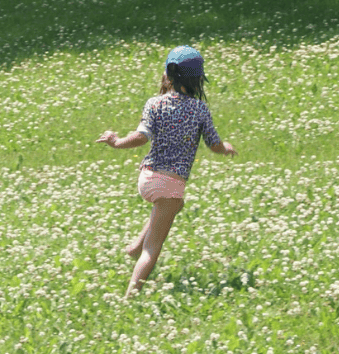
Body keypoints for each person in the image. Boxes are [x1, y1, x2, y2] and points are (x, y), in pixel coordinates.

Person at [96, 46, 237, 295]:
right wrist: (224, 148)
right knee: (155, 247)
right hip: (170, 184)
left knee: (172, 205)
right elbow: (213, 145)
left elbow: (141, 137)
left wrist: (116, 142)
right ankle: (131, 294)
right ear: (197, 80)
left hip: (147, 178)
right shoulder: (199, 109)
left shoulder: (154, 103)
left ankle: (134, 248)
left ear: (167, 75)